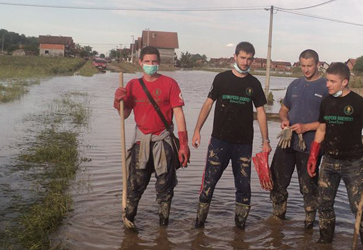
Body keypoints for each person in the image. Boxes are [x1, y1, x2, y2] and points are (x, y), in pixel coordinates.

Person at [307, 62, 363, 250]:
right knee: (323, 203)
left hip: (352, 164)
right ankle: (325, 241)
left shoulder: (358, 103)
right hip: (329, 161)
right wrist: (314, 155)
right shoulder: (326, 102)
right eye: (327, 80)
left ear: (344, 82)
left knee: (357, 205)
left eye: (332, 81)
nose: (328, 85)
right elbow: (322, 129)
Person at [192, 41, 271, 229]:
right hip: (219, 141)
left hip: (243, 143)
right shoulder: (221, 79)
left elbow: (261, 112)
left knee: (243, 187)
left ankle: (240, 229)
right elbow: (208, 104)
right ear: (235, 57)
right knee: (209, 183)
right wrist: (197, 130)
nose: (245, 62)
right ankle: (199, 226)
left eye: (249, 59)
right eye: (242, 58)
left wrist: (265, 140)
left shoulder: (254, 83)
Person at [114, 46, 190, 228]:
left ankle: (163, 227)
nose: (150, 65)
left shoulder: (170, 84)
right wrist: (118, 101)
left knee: (165, 188)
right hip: (141, 142)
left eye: (154, 62)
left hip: (163, 141)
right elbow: (124, 115)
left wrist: (183, 145)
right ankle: (129, 220)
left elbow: (179, 114)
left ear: (159, 63)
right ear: (140, 62)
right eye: (147, 62)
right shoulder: (132, 85)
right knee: (135, 185)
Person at [269, 49, 328, 229]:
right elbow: (284, 109)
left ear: (318, 64)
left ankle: (309, 223)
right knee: (277, 179)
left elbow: (329, 121)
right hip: (288, 141)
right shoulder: (294, 84)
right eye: (303, 65)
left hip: (310, 145)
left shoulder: (326, 86)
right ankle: (277, 220)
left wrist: (306, 127)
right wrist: (284, 120)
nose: (306, 70)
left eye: (310, 66)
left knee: (308, 185)